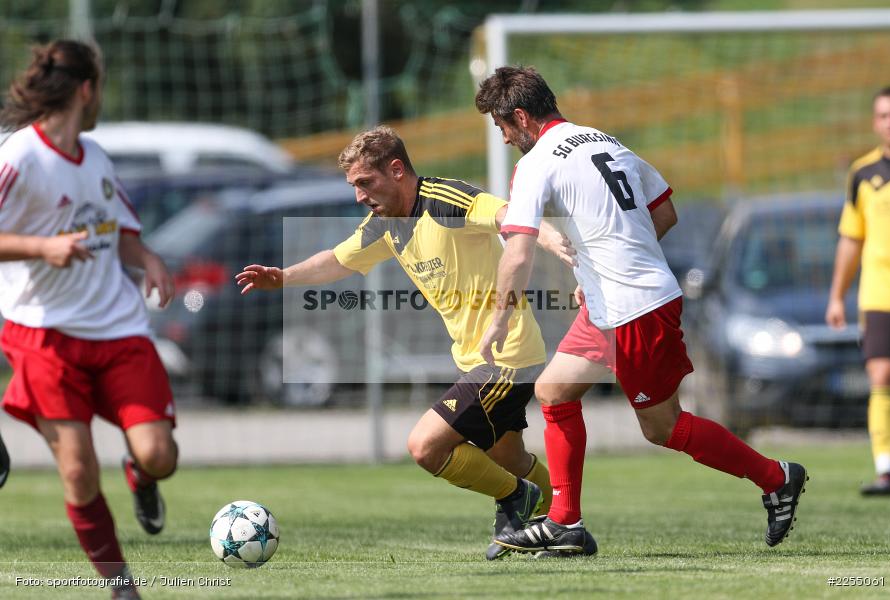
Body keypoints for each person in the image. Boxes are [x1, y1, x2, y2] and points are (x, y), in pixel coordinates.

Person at [475, 66, 807, 554]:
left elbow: (518, 251)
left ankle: (776, 477)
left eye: (501, 127)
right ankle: (566, 522)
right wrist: (607, 264)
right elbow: (665, 212)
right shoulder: (605, 141)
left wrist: (499, 319)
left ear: (520, 117)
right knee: (553, 390)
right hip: (617, 302)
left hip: (636, 309)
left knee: (663, 426)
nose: (503, 139)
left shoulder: (537, 161)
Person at [236, 125, 593, 560]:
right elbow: (338, 259)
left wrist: (555, 241)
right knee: (510, 461)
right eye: (354, 187)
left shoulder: (445, 200)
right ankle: (565, 523)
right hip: (476, 359)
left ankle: (517, 500)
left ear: (397, 170)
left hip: (506, 356)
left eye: (365, 183)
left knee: (425, 446)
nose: (359, 197)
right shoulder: (384, 226)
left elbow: (508, 215)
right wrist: (284, 277)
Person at [0, 40, 178, 599]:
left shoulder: (96, 158)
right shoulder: (18, 157)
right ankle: (122, 587)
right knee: (78, 470)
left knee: (159, 455)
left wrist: (147, 258)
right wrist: (41, 247)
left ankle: (142, 478)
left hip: (119, 331)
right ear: (86, 89)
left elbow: (121, 233)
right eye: (100, 85)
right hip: (44, 334)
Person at [826, 86, 890, 497]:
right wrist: (837, 295)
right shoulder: (862, 174)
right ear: (876, 122)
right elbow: (851, 239)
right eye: (886, 115)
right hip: (881, 294)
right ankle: (886, 470)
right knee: (883, 374)